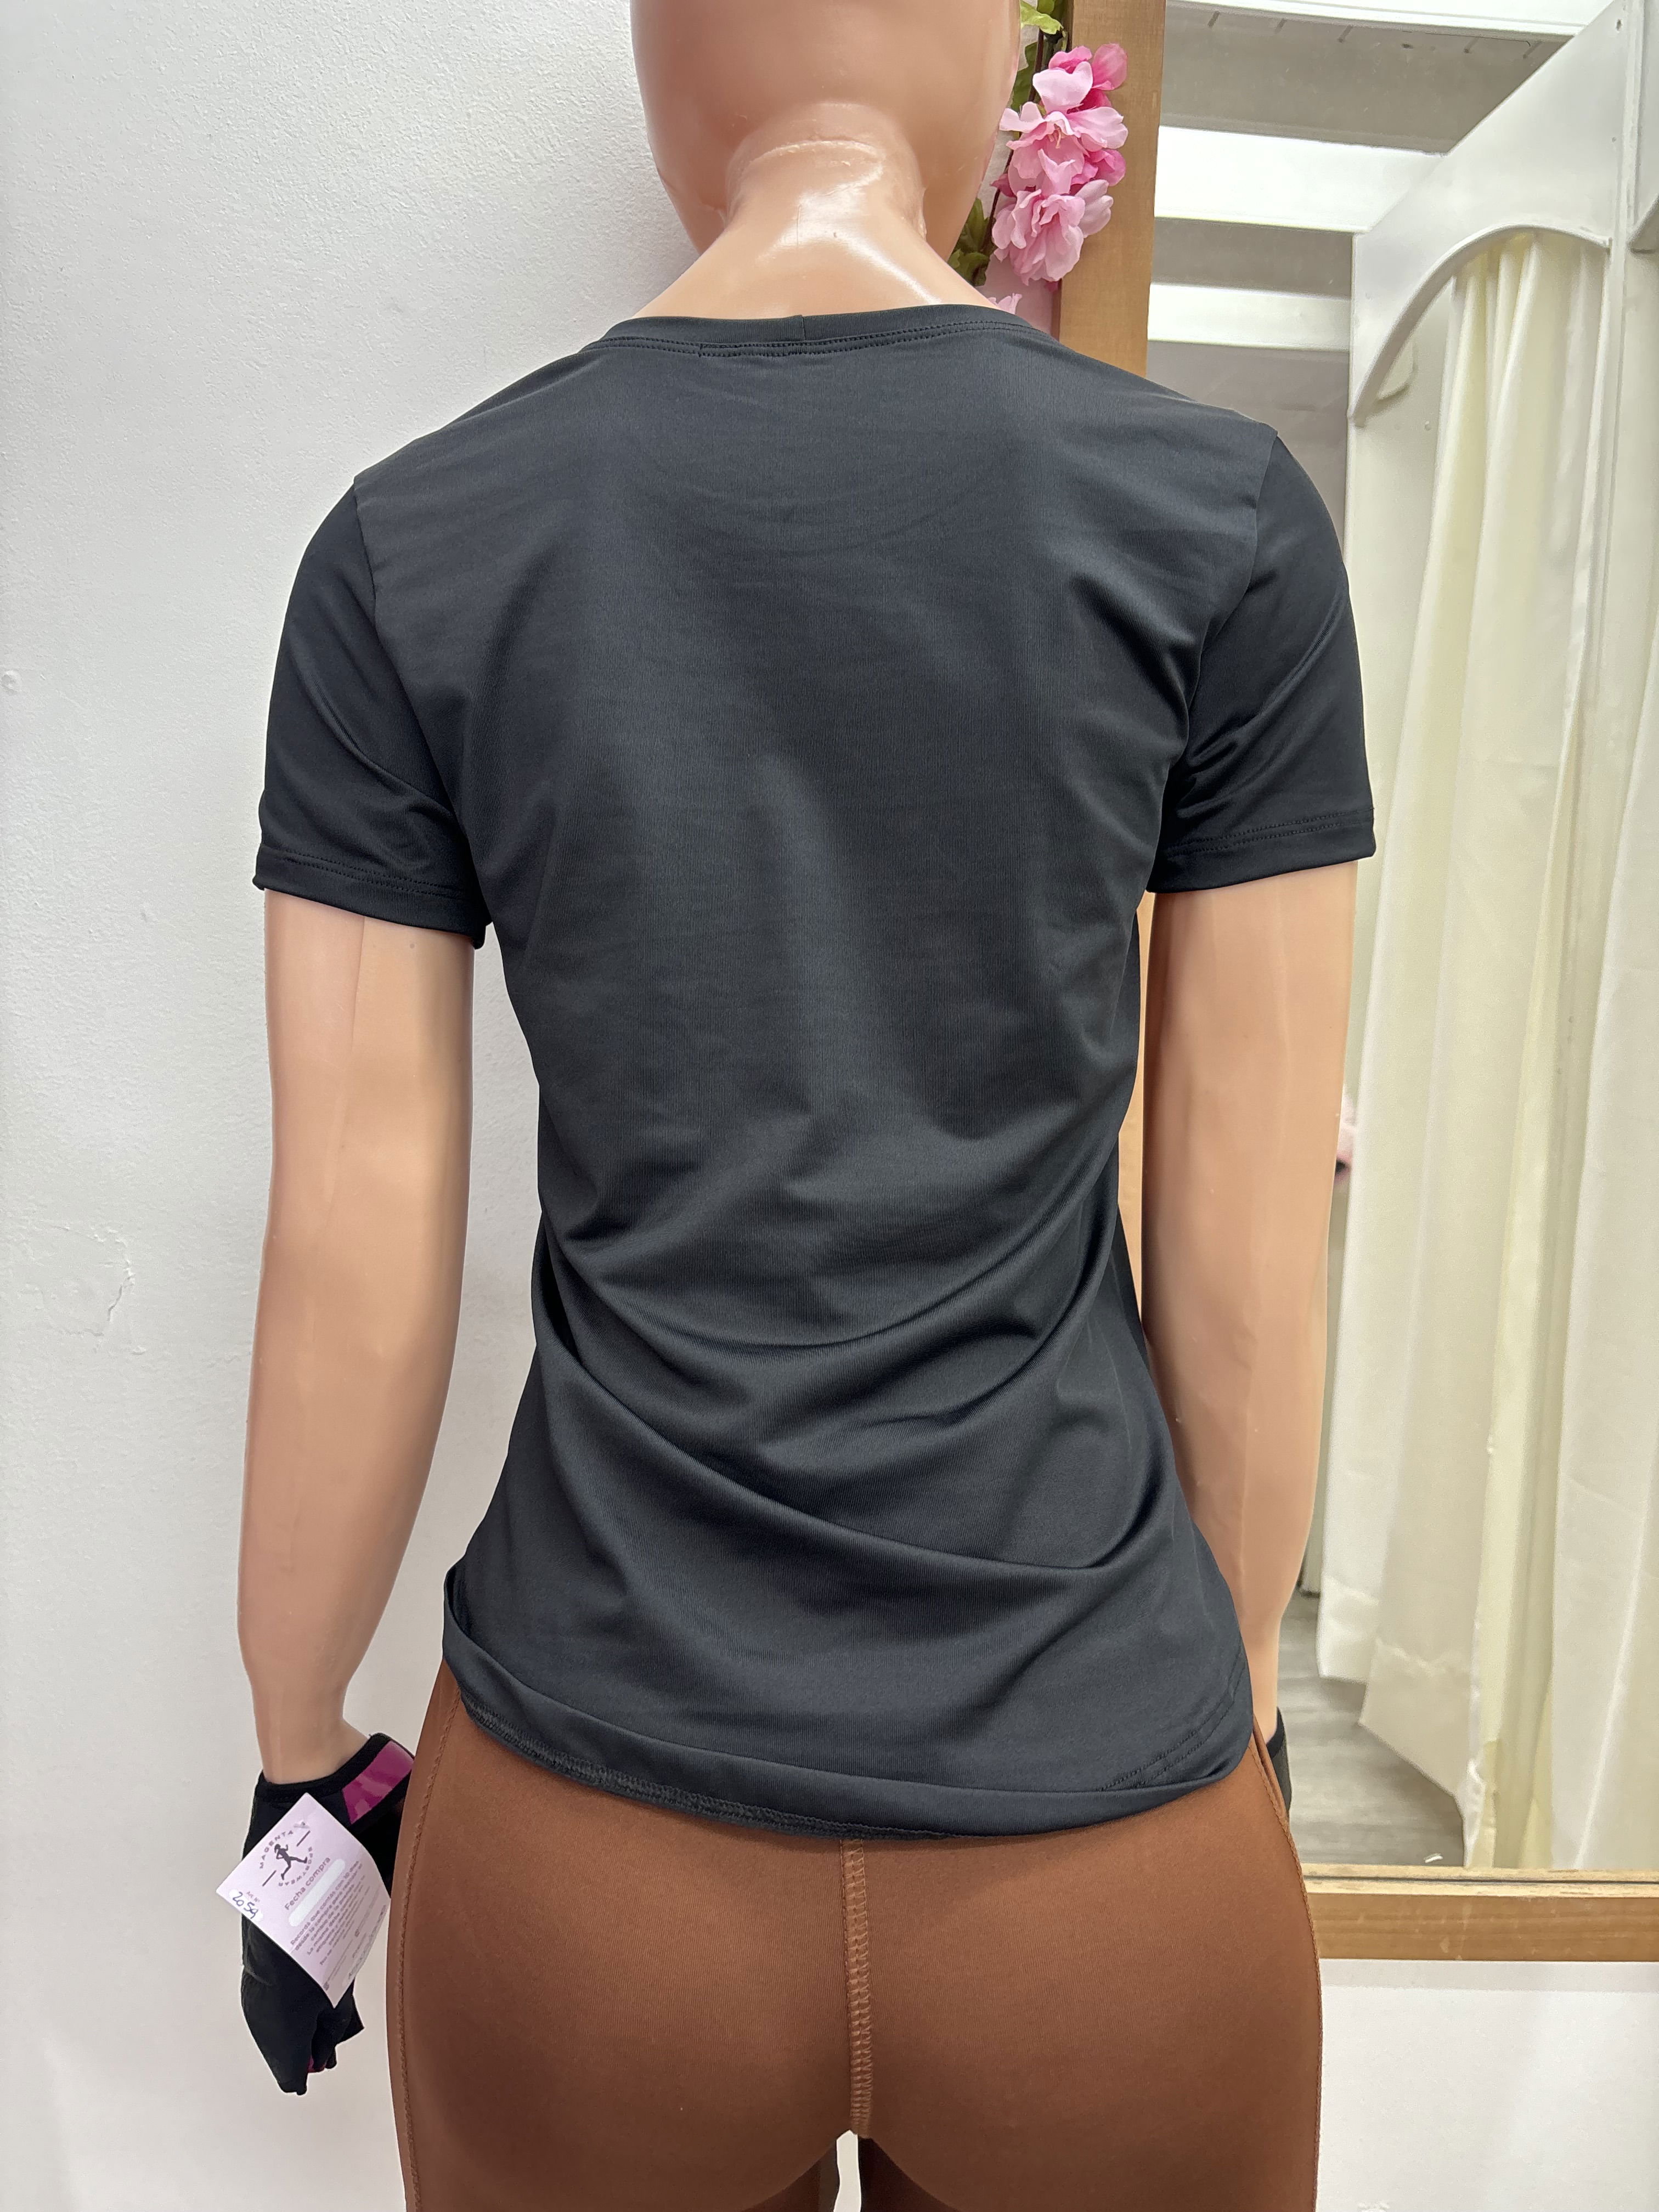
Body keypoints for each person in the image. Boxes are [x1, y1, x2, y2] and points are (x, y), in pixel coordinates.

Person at [237, 2, 1371, 2204]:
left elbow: (350, 1240)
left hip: (590, 1861)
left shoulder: (413, 545)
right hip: (1100, 1856)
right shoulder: (1223, 523)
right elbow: (1248, 1244)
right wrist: (1221, 1709)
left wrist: (298, 1749)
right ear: (993, 75)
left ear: (670, 75)